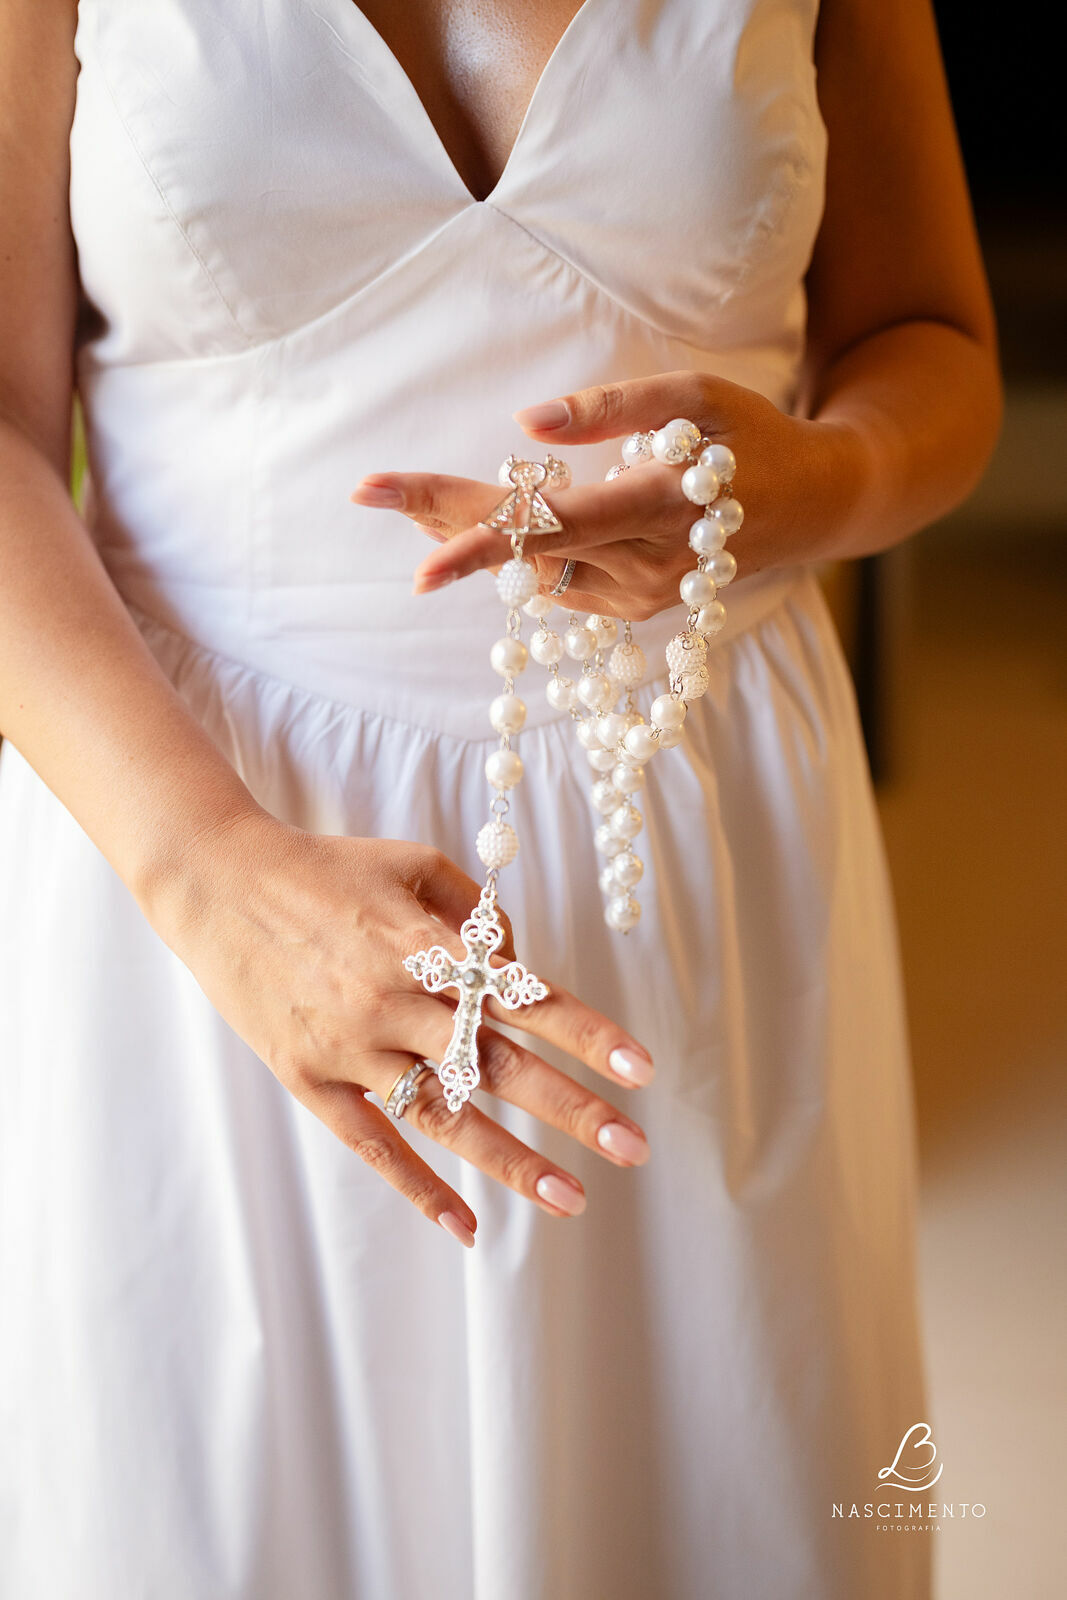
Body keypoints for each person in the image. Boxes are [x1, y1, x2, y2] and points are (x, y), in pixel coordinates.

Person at [0, 1, 1000, 1595]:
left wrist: (803, 483)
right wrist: (208, 870)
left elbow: (932, 341)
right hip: (206, 852)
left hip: (684, 825)